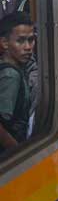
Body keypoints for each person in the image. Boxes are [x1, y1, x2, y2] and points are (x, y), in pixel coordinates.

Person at [0, 12, 34, 155]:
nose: (28, 47)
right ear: (4, 43)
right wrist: (18, 153)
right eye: (20, 41)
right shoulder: (11, 75)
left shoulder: (17, 69)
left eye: (31, 40)